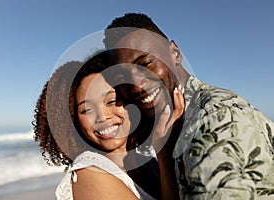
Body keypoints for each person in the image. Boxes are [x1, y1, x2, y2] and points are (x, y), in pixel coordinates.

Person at [103, 13, 274, 199]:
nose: (136, 85)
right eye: (122, 76)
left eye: (146, 63)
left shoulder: (212, 120)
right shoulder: (176, 124)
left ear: (175, 53)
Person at [33, 52, 185, 200]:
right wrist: (164, 151)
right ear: (74, 121)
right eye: (87, 110)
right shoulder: (90, 172)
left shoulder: (147, 163)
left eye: (112, 101)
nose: (102, 117)